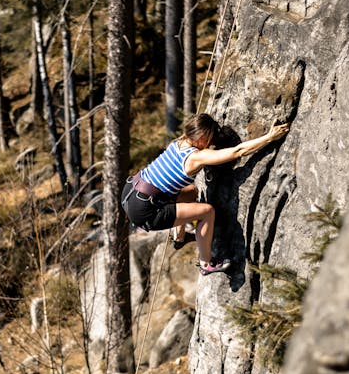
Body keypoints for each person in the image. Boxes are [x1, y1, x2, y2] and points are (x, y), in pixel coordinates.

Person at [122, 114, 289, 275]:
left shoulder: (178, 141)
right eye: (209, 139)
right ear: (202, 137)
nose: (210, 143)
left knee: (192, 192)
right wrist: (269, 137)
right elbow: (238, 152)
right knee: (207, 212)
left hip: (131, 191)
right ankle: (206, 264)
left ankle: (179, 237)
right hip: (145, 211)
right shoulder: (196, 157)